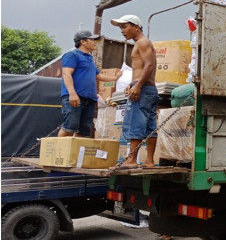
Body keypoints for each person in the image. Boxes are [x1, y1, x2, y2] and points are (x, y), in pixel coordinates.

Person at [110, 15, 158, 168]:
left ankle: (131, 160)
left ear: (136, 27)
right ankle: (149, 161)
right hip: (148, 88)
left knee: (135, 123)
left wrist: (137, 86)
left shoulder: (142, 42)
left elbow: (149, 65)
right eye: (121, 28)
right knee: (150, 126)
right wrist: (133, 83)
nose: (122, 31)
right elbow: (143, 67)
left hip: (143, 89)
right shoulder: (143, 43)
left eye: (125, 27)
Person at [59, 30, 122, 138]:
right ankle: (59, 154)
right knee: (69, 127)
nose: (94, 42)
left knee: (83, 131)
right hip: (76, 97)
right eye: (92, 39)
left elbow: (98, 76)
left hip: (89, 99)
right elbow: (66, 74)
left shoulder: (89, 58)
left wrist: (115, 78)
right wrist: (72, 94)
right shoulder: (72, 55)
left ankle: (75, 154)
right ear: (83, 42)